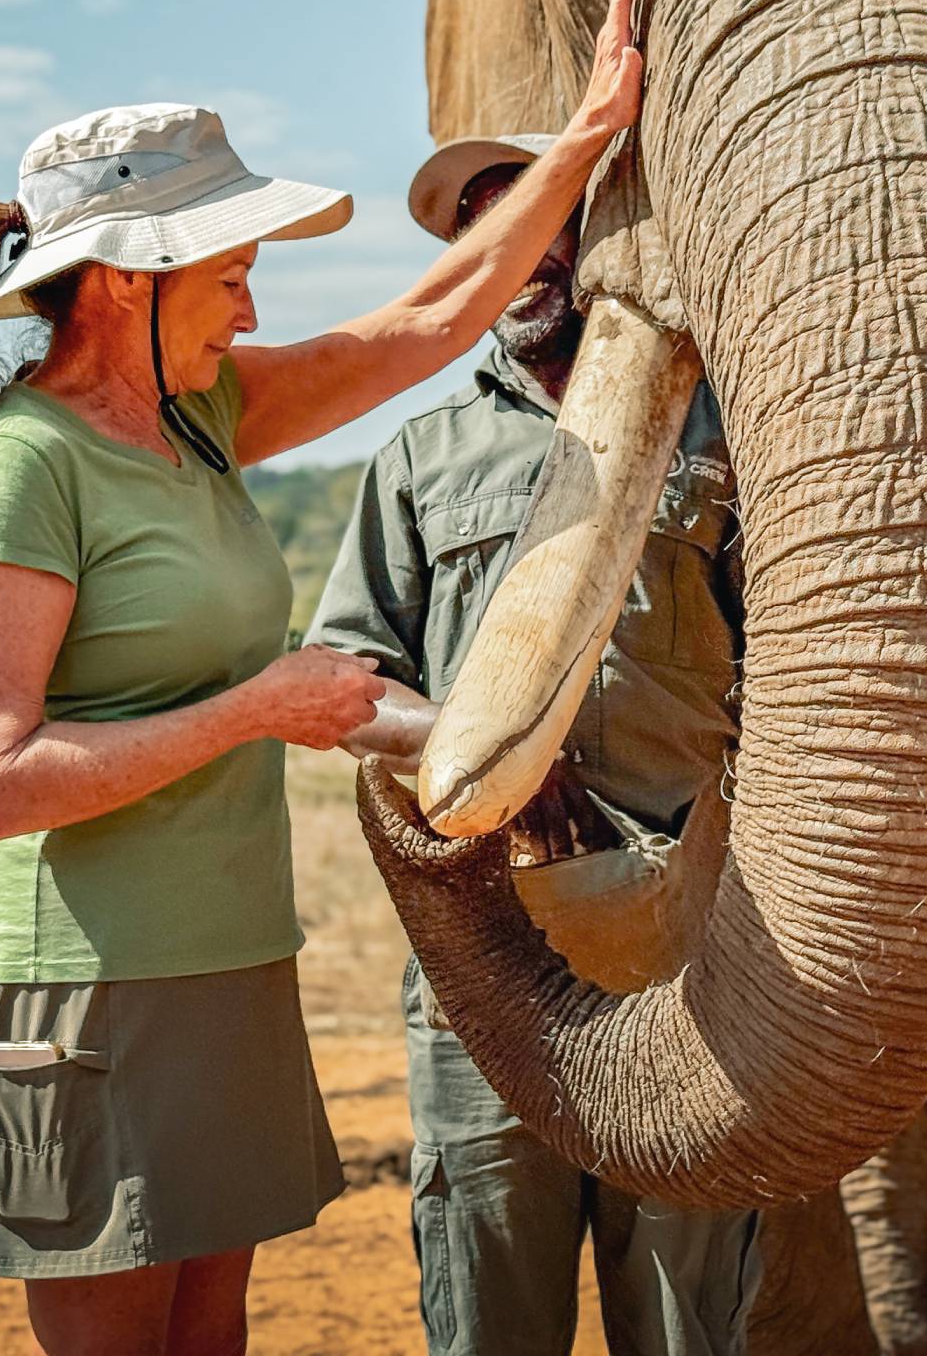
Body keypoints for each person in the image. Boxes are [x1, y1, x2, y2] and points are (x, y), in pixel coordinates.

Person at [0, 0, 645, 1356]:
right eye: (236, 273)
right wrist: (255, 707)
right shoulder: (24, 465)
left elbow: (425, 322)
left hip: (229, 966)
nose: (255, 307)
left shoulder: (195, 417)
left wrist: (588, 133)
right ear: (136, 280)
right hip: (92, 994)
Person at [307, 133, 761, 1356]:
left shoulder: (719, 435)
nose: (511, 260)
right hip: (483, 955)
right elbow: (346, 685)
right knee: (491, 1306)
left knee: (685, 1316)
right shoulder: (419, 458)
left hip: (690, 952)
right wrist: (489, 758)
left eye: (534, 222)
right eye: (477, 236)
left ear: (593, 236)